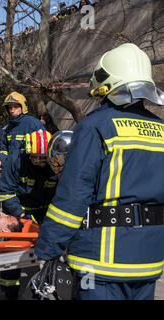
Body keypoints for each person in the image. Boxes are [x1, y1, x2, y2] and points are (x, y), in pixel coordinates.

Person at [34, 43, 164, 300]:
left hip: (102, 263)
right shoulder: (161, 129)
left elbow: (72, 198)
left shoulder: (96, 126)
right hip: (148, 263)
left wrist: (48, 247)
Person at [0, 129, 58, 299]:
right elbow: (6, 193)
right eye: (36, 157)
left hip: (45, 211)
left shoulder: (54, 161)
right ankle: (9, 292)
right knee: (13, 254)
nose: (40, 162)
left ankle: (49, 285)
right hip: (18, 212)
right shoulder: (15, 160)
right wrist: (22, 215)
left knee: (52, 252)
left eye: (43, 158)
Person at [0, 91, 45, 170]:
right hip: (11, 171)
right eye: (10, 108)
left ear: (23, 107)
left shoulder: (34, 124)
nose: (12, 110)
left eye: (15, 107)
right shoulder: (7, 127)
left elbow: (43, 148)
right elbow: (4, 149)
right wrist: (0, 159)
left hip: (29, 170)